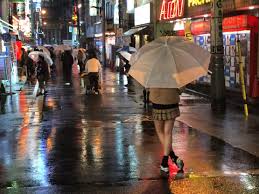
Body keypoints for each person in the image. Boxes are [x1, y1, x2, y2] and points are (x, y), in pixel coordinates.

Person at [149, 87, 184, 174]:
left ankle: (167, 162)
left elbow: (147, 87)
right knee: (168, 133)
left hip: (157, 102)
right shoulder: (174, 73)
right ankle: (171, 159)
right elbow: (181, 89)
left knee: (160, 131)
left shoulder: (152, 73)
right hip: (172, 102)